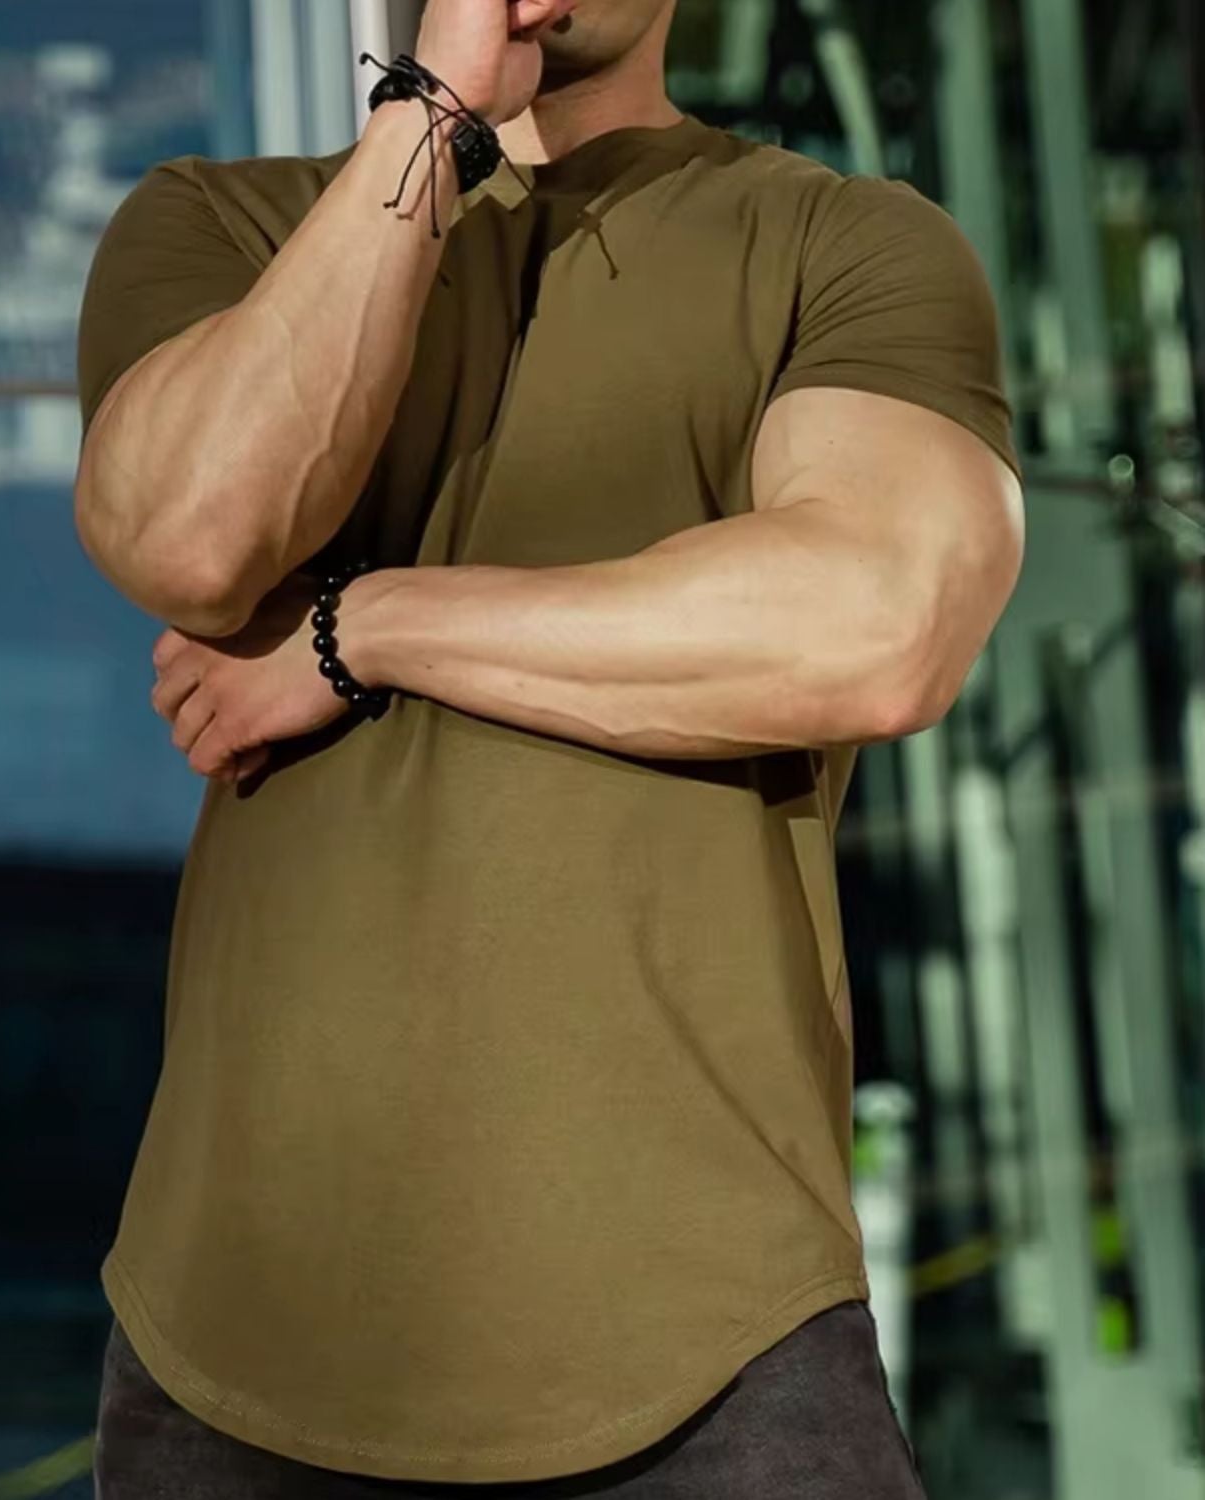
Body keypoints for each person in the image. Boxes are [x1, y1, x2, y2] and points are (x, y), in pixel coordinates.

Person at [72, 0, 1025, 1494]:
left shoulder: (847, 244)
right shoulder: (223, 225)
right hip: (243, 1356)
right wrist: (440, 105)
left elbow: (878, 622)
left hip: (715, 1345)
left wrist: (360, 630)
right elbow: (195, 533)